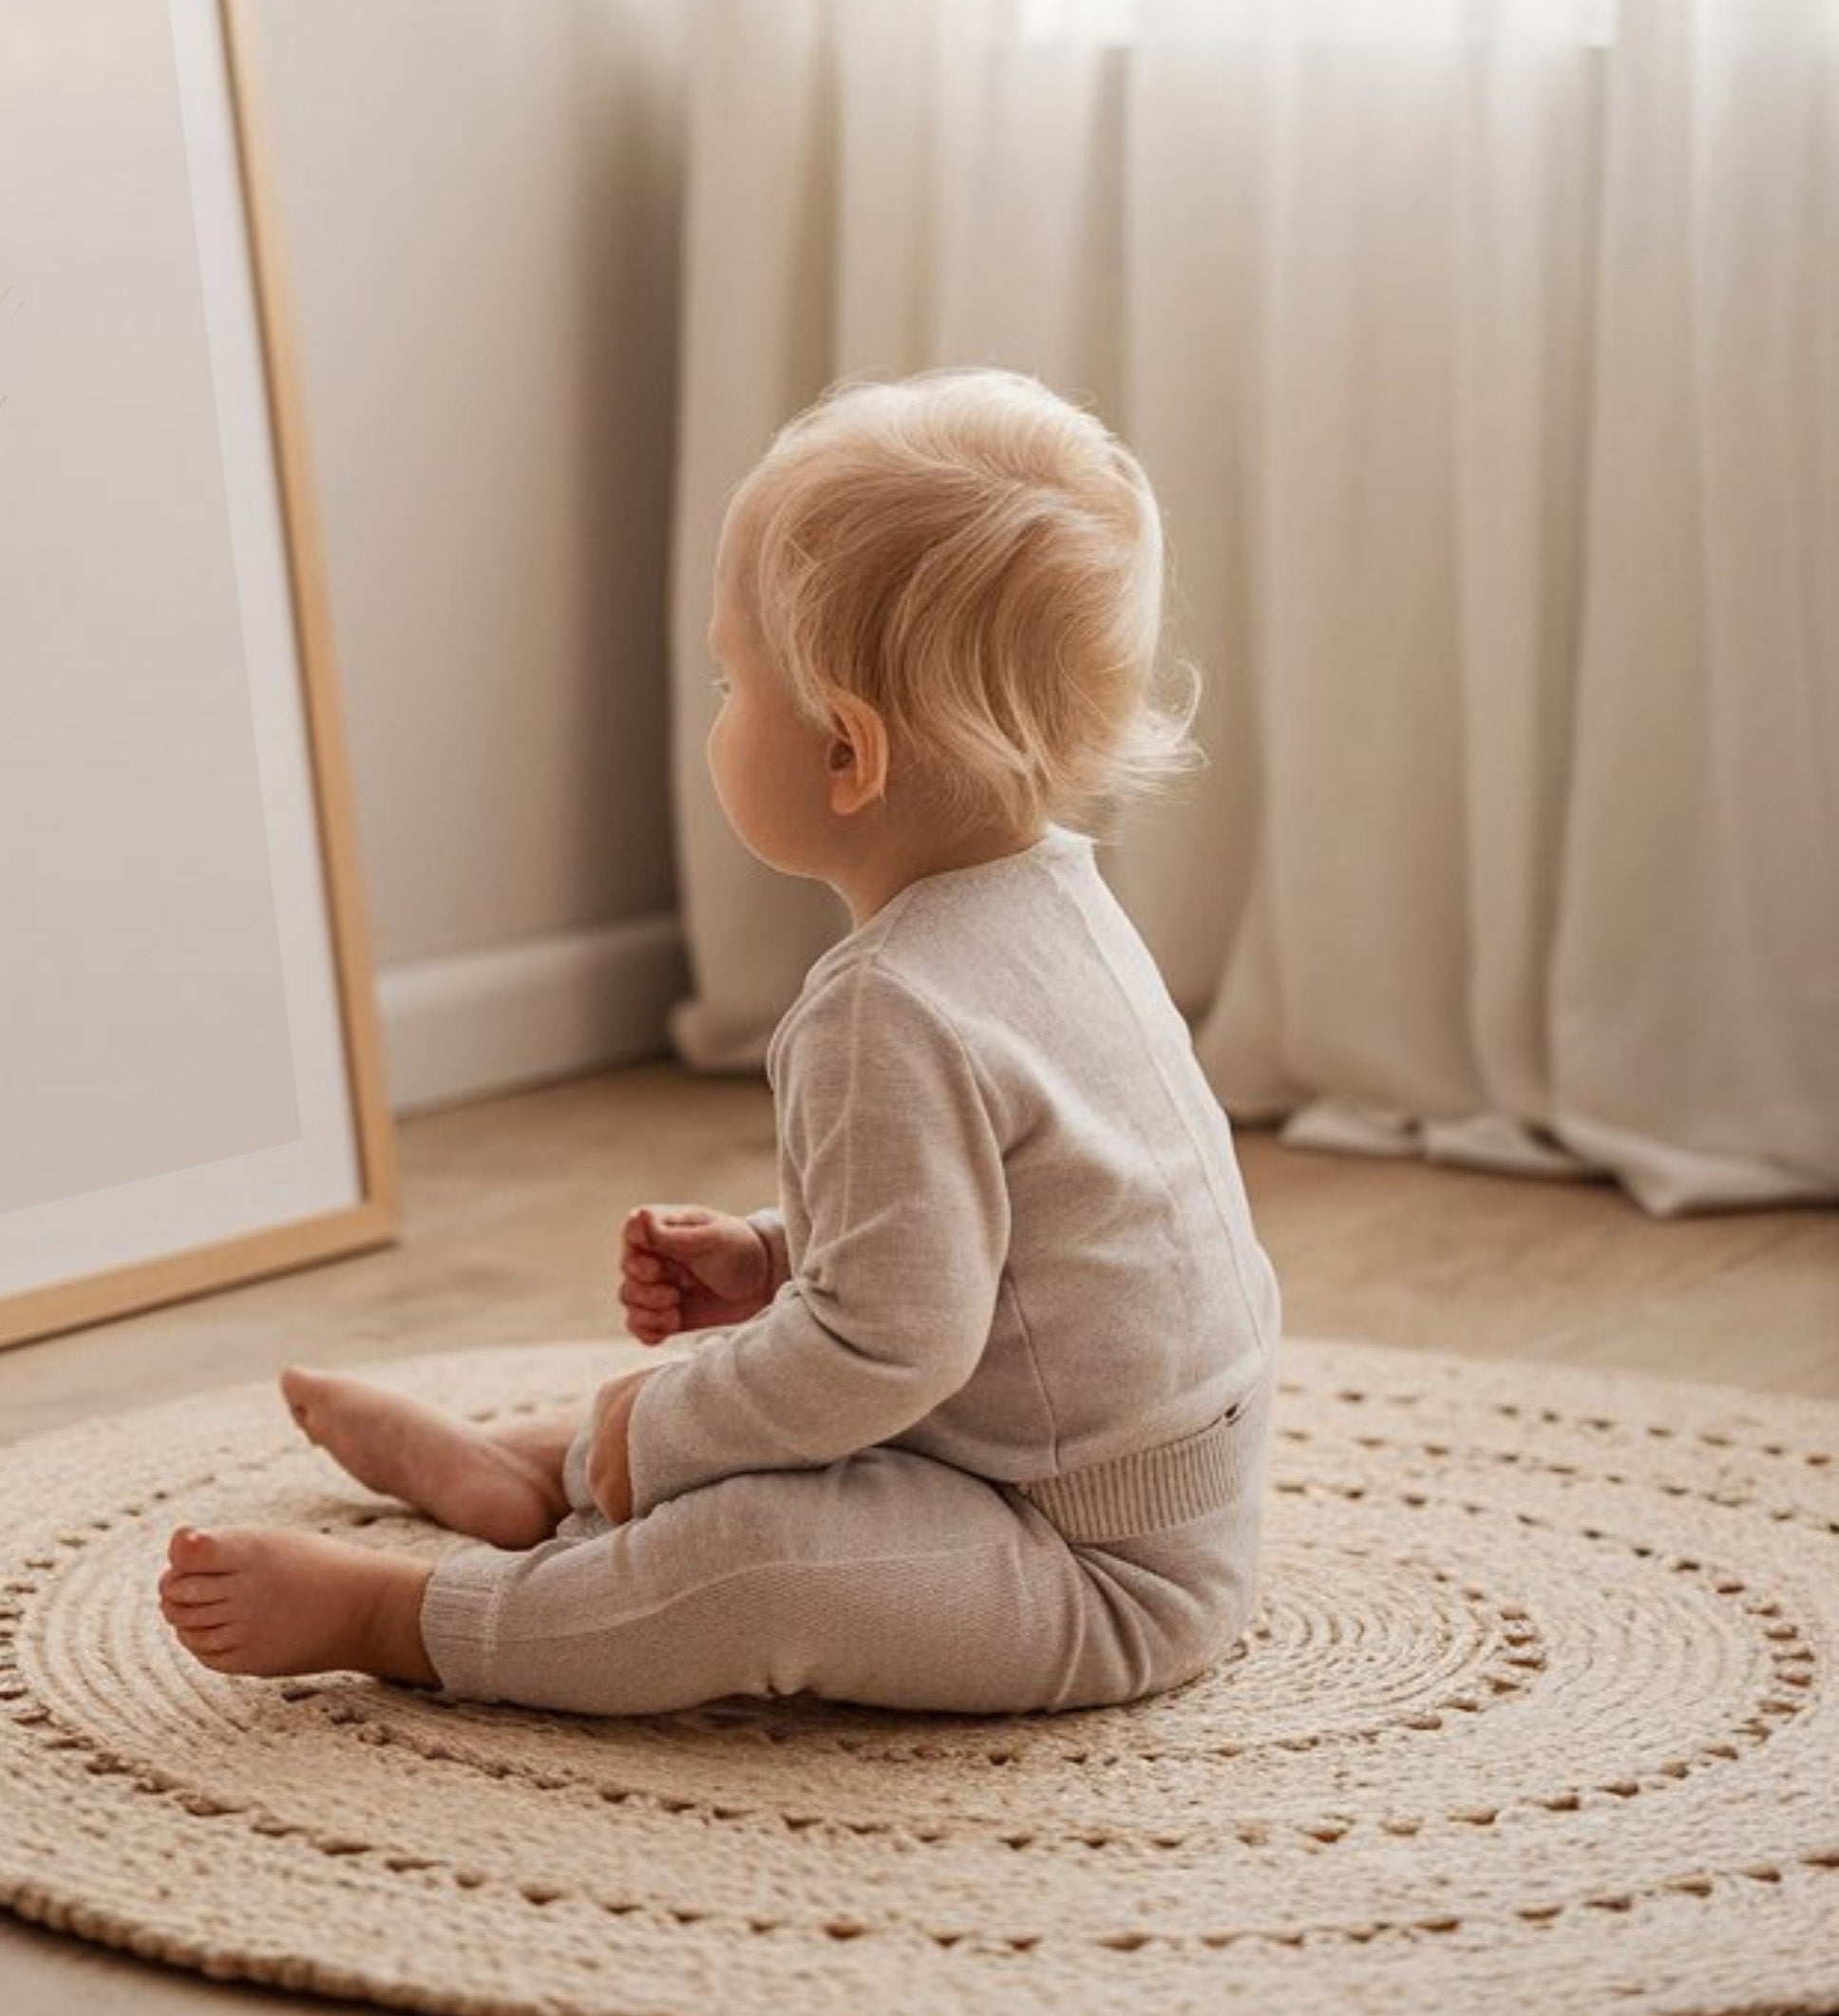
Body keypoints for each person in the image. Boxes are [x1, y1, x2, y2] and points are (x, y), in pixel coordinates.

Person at [158, 367, 1281, 1716]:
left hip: (1089, 1567)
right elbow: (1035, 1229)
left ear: (846, 757)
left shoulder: (892, 1003)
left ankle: (417, 1614)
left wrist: (662, 1427)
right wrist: (776, 1256)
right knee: (761, 1417)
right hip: (1136, 1484)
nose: (716, 711)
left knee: (749, 1558)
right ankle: (527, 1469)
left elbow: (884, 1359)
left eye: (728, 680)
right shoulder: (1058, 901)